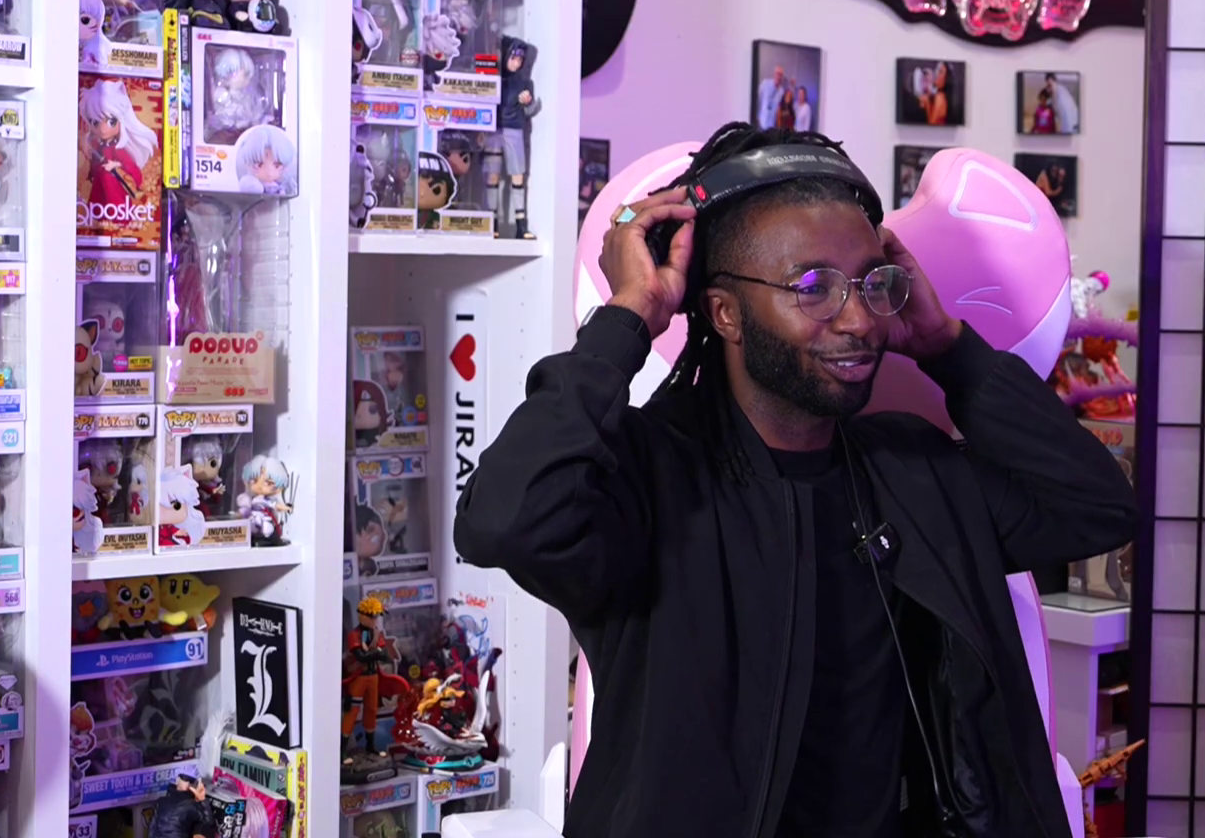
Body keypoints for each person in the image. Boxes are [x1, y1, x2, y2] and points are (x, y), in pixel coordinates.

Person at [454, 123, 1136, 838]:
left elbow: (1094, 507)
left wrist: (948, 348)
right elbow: (505, 519)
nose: (860, 319)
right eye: (815, 287)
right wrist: (628, 318)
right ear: (724, 312)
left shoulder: (914, 471)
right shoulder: (647, 474)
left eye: (873, 284)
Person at [756, 64, 787, 130]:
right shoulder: (765, 84)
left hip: (772, 127)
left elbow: (780, 108)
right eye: (778, 74)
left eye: (781, 75)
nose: (779, 77)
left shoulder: (781, 91)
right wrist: (757, 116)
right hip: (761, 123)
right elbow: (758, 100)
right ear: (774, 74)